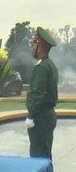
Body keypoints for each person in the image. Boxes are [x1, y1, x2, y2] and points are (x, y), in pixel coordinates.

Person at [25, 27, 59, 159]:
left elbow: (37, 93)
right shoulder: (50, 64)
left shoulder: (41, 67)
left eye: (33, 45)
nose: (32, 48)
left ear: (40, 47)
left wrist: (31, 115)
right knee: (44, 154)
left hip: (40, 116)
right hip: (46, 115)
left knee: (38, 156)